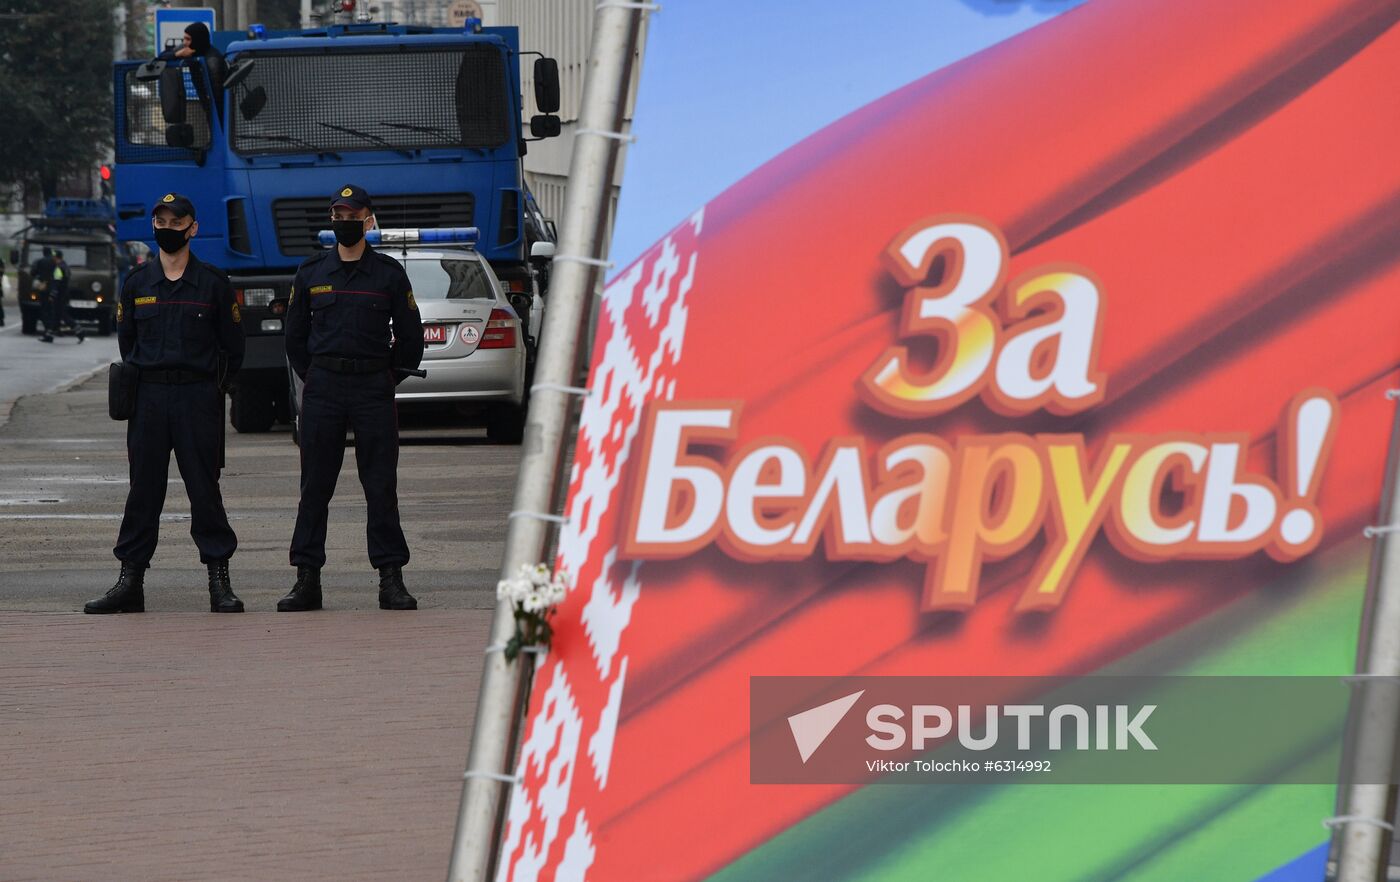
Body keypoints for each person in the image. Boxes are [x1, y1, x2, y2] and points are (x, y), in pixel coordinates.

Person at [84, 193, 246, 614]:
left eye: (177, 222)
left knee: (204, 490)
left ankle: (219, 581)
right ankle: (130, 582)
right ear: (153, 226)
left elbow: (234, 349)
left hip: (196, 398)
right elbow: (127, 342)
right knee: (143, 491)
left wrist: (213, 391)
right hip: (149, 399)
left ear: (192, 228)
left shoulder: (213, 283)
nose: (168, 229)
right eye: (161, 221)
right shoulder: (137, 283)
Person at [280, 184, 424, 612]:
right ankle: (307, 580)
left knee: (380, 485)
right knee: (315, 487)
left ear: (369, 220)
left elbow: (411, 339)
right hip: (324, 388)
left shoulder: (389, 275)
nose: (345, 221)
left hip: (372, 389)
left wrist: (384, 378)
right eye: (338, 214)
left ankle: (391, 578)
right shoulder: (311, 273)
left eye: (353, 215)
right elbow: (294, 338)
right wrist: (319, 375)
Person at [40, 250, 85, 344]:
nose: (52, 258)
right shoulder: (65, 266)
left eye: (53, 257)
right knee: (56, 316)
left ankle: (80, 331)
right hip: (64, 294)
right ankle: (49, 336)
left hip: (59, 296)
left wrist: (52, 295)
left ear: (56, 257)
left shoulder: (58, 269)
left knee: (63, 316)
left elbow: (56, 283)